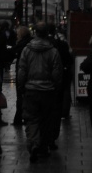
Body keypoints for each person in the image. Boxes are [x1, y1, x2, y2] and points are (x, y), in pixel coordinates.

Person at [17, 19, 63, 161]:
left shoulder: (27, 50)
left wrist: (21, 86)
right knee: (46, 120)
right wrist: (57, 87)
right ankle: (43, 147)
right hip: (48, 90)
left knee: (31, 119)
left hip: (31, 89)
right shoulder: (53, 51)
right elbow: (57, 73)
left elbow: (22, 70)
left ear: (35, 33)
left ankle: (33, 143)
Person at [11, 25, 32, 126]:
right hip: (31, 73)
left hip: (22, 72)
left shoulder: (21, 44)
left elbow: (12, 52)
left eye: (18, 34)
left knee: (20, 96)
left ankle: (18, 118)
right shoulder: (31, 42)